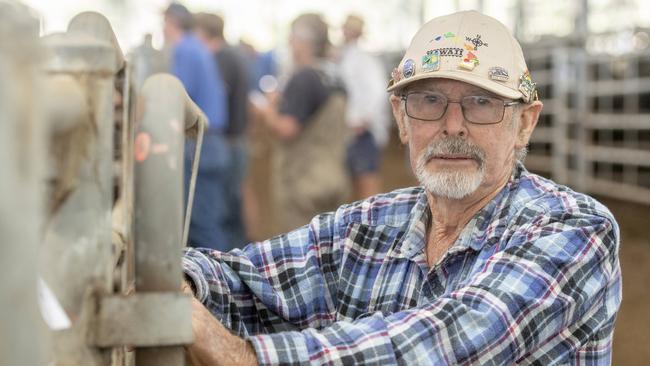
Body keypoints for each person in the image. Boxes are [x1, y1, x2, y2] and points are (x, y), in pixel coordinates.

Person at [181, 11, 621, 365]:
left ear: (524, 122)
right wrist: (174, 280)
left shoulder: (574, 229)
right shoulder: (366, 225)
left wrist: (242, 356)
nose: (453, 126)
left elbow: (445, 343)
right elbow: (246, 278)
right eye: (429, 101)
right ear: (402, 118)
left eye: (481, 103)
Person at [257, 13, 349, 234]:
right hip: (333, 176)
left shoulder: (304, 78)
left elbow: (286, 129)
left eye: (292, 39)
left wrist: (269, 108)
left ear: (302, 42)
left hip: (303, 183)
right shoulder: (336, 76)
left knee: (302, 256)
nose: (290, 45)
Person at [163, 3, 230, 249]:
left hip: (199, 143)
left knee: (201, 225)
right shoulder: (197, 48)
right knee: (208, 220)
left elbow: (174, 97)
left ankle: (219, 284)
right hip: (211, 142)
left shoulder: (184, 50)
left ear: (171, 22)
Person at [194, 12, 251, 248]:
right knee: (231, 211)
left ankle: (224, 272)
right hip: (236, 143)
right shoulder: (234, 56)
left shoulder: (220, 59)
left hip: (226, 144)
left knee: (219, 214)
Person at [338, 14, 391, 200]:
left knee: (366, 184)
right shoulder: (348, 56)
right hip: (353, 130)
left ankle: (372, 226)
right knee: (356, 183)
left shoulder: (363, 58)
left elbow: (378, 90)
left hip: (362, 131)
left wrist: (364, 119)